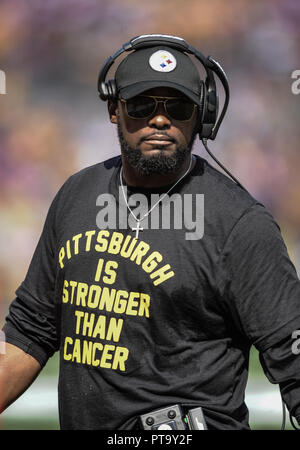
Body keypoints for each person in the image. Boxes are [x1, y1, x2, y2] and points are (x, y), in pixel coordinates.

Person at [1, 35, 300, 431]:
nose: (160, 120)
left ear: (202, 116)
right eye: (141, 105)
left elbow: (293, 357)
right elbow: (31, 329)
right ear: (113, 109)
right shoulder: (77, 196)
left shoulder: (239, 223)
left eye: (177, 107)